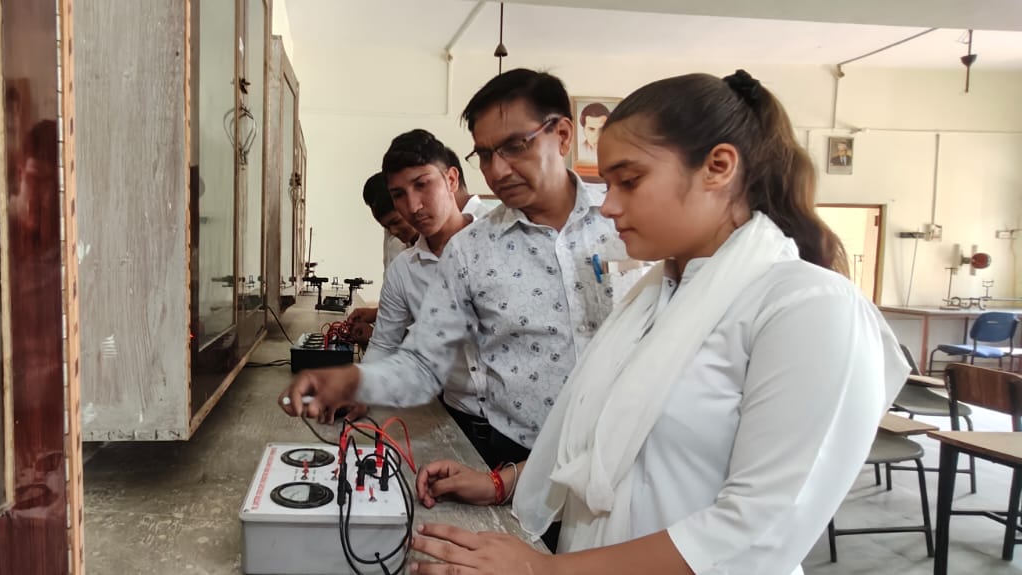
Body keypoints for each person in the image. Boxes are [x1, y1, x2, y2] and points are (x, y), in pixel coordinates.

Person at [405, 70, 907, 575]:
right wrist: (503, 482)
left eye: (630, 181)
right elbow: (610, 445)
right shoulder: (657, 296)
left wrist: (544, 570)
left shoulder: (807, 306)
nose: (609, 205)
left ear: (718, 168)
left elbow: (758, 527)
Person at [279, 69, 637, 470]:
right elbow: (422, 361)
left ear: (564, 135)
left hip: (628, 450)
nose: (497, 171)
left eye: (514, 146)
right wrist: (355, 382)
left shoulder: (629, 219)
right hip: (514, 451)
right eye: (484, 155)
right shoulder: (469, 251)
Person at [359, 129, 494, 460]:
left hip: (525, 428)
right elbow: (384, 343)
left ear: (451, 179)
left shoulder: (500, 242)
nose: (413, 206)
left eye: (422, 185)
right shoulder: (404, 270)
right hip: (457, 419)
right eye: (399, 194)